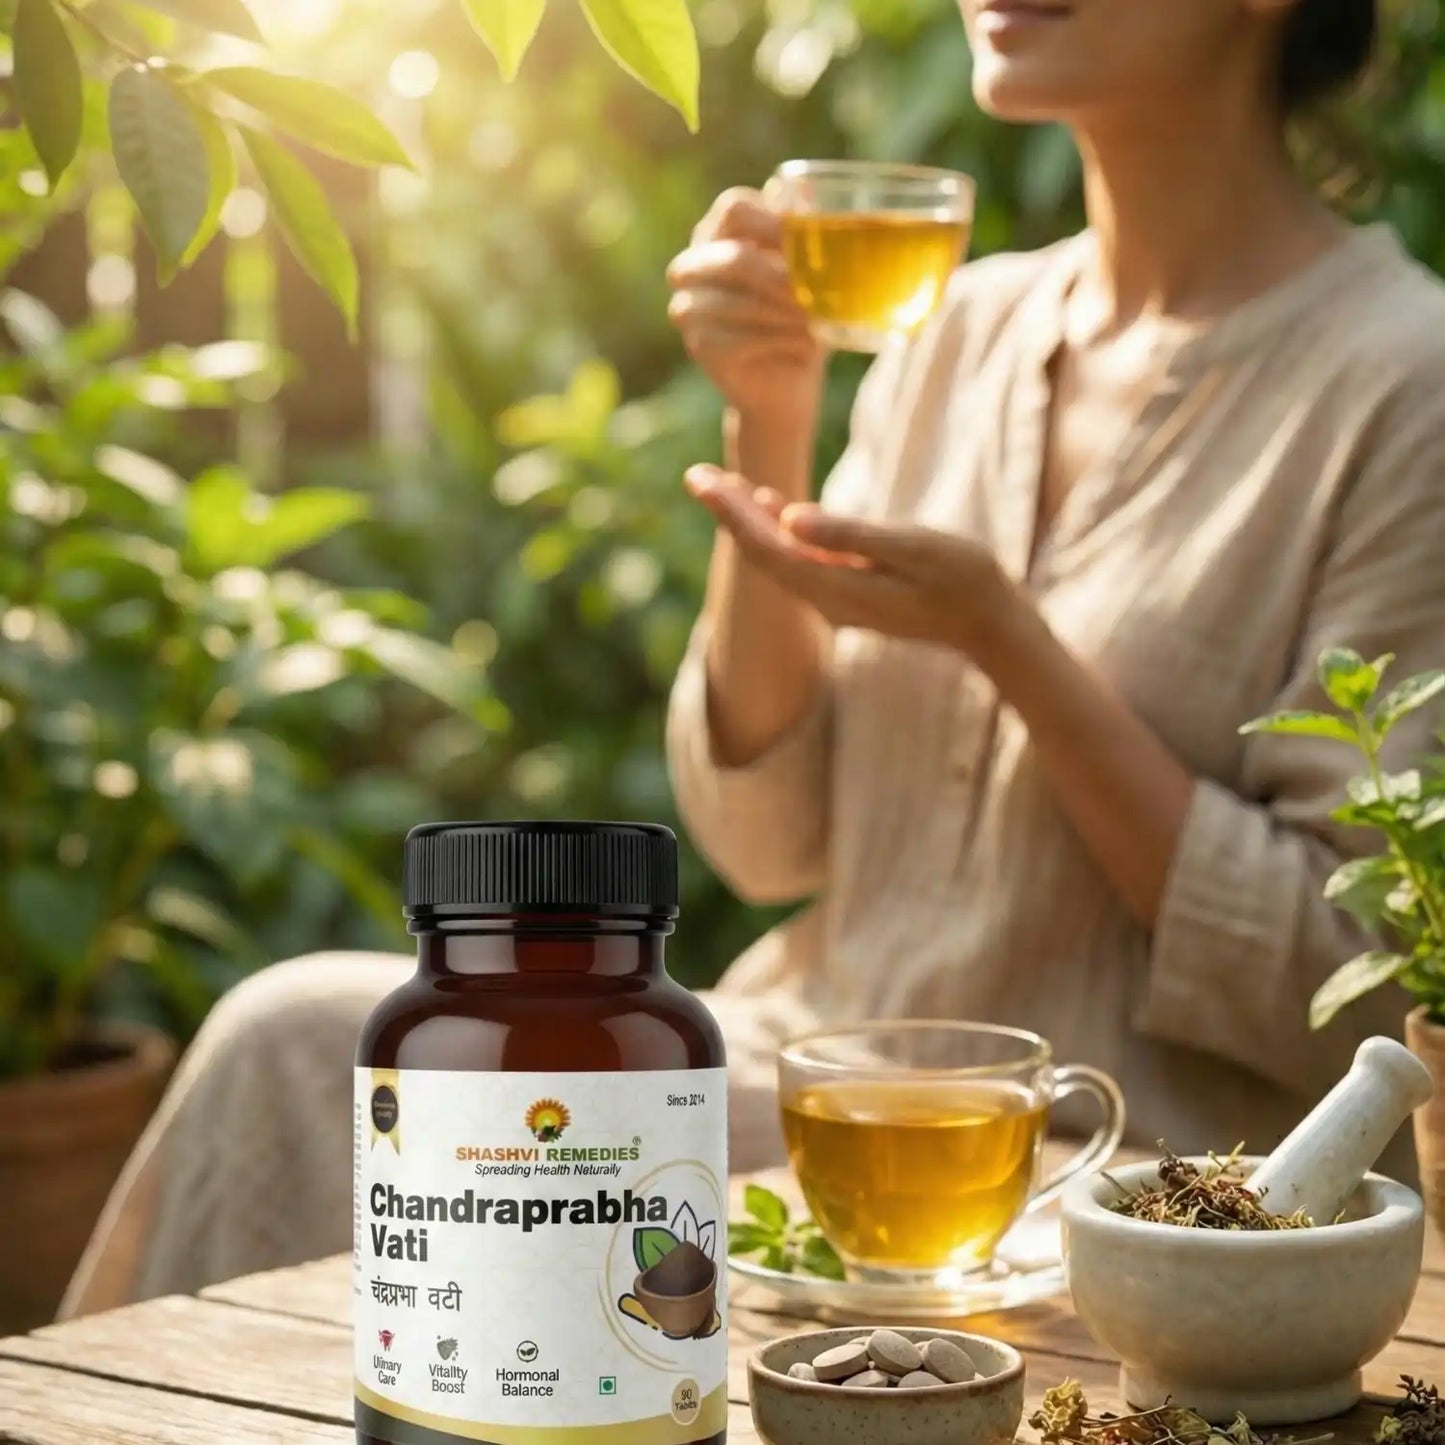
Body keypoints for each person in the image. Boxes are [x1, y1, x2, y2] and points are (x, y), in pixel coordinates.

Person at [62, 0, 1445, 1318]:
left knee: (315, 1053)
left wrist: (1008, 645)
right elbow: (766, 841)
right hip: (809, 1096)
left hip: (1104, 1170)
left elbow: (1347, 981)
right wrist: (768, 425)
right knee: (297, 1044)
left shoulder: (1403, 380)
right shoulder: (951, 329)